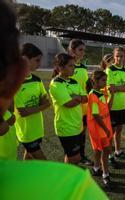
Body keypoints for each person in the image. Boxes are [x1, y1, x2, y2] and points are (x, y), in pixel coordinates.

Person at [0, 2, 108, 199]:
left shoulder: (45, 81)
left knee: (31, 158)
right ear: (18, 72)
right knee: (50, 161)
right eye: (35, 62)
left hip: (47, 127)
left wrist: (76, 98)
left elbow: (67, 99)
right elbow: (65, 102)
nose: (74, 68)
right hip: (46, 128)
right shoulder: (75, 190)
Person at [49, 53, 88, 164]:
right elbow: (69, 104)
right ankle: (69, 177)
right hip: (66, 127)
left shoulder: (74, 81)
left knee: (72, 156)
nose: (74, 68)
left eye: (74, 65)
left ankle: (68, 175)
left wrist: (76, 97)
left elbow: (86, 98)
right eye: (70, 66)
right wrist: (76, 98)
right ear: (60, 67)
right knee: (75, 158)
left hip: (77, 125)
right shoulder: (56, 84)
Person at [14, 43, 50, 160]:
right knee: (44, 162)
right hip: (26, 131)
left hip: (37, 128)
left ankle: (24, 176)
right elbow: (23, 112)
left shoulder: (37, 80)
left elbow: (46, 100)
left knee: (29, 155)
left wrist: (41, 105)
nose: (39, 64)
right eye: (37, 60)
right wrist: (41, 106)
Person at [87, 70, 115, 188]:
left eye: (106, 80)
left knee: (99, 150)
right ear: (95, 81)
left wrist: (112, 95)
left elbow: (108, 108)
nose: (105, 82)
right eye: (103, 80)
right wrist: (106, 129)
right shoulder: (93, 96)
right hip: (99, 129)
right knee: (106, 151)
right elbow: (95, 115)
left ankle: (96, 168)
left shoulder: (101, 93)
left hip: (105, 127)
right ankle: (106, 175)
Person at [68, 39, 93, 166]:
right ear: (72, 50)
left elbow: (86, 86)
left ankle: (82, 156)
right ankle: (72, 160)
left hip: (84, 106)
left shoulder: (83, 67)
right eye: (80, 50)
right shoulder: (65, 66)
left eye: (84, 50)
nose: (83, 53)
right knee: (72, 136)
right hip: (71, 107)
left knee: (82, 133)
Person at [106, 47, 125, 162]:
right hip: (112, 106)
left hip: (123, 105)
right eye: (117, 56)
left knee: (119, 130)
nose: (119, 58)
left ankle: (118, 151)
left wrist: (118, 88)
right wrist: (121, 88)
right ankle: (109, 155)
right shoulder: (109, 70)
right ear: (114, 56)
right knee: (110, 133)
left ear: (124, 56)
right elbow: (110, 88)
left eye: (121, 56)